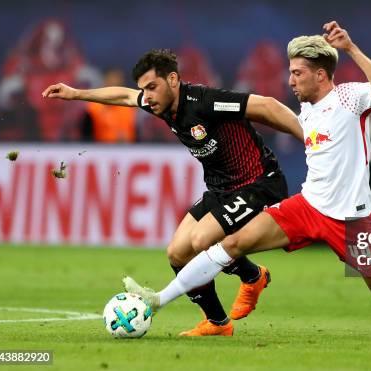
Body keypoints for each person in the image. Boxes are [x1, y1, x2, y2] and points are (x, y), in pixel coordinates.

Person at [123, 21, 371, 340]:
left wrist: (350, 47)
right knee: (234, 243)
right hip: (306, 207)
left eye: (297, 73)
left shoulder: (351, 97)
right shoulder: (305, 109)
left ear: (321, 75)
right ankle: (159, 300)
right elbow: (276, 115)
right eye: (290, 72)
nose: (290, 80)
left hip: (350, 220)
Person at [42, 49, 303, 336]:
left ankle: (252, 277)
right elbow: (125, 96)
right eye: (144, 89)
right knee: (177, 253)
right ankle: (218, 322)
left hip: (258, 183)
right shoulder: (161, 104)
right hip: (221, 189)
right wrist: (75, 93)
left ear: (173, 80)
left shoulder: (205, 102)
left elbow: (266, 106)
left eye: (152, 87)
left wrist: (309, 139)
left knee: (202, 239)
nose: (147, 96)